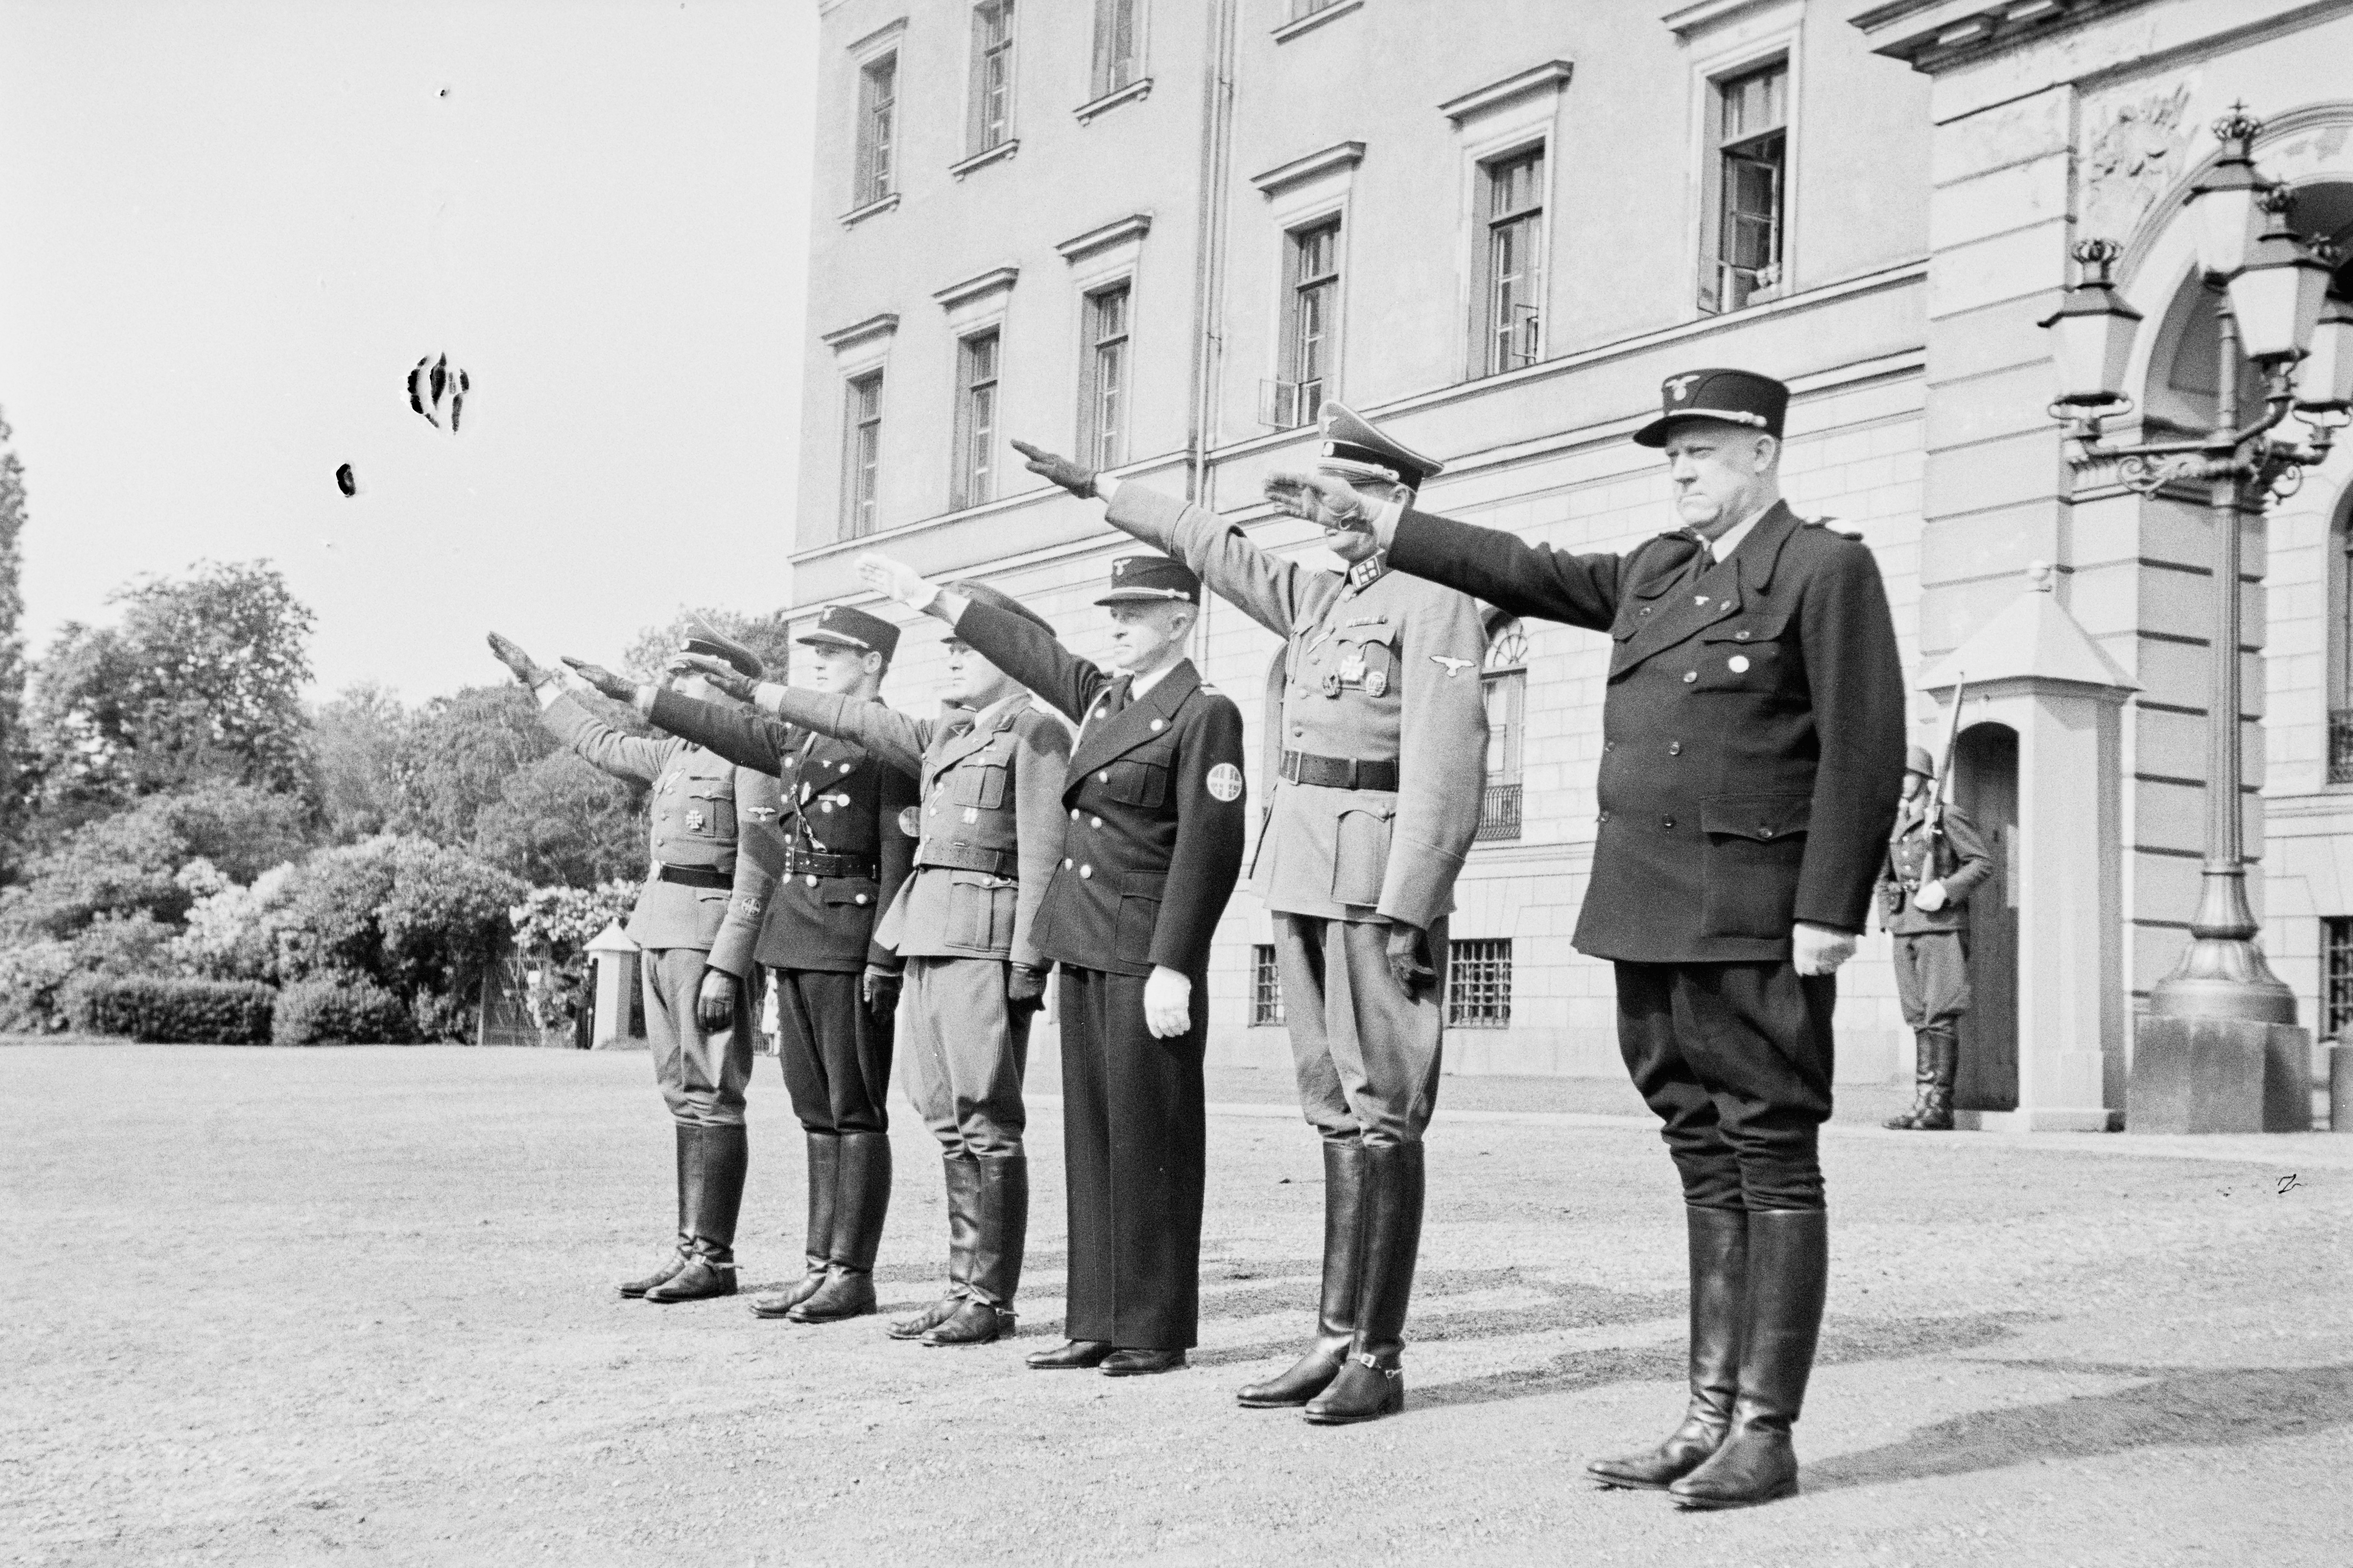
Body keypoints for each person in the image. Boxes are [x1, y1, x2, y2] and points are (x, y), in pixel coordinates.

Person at [1276, 368, 1905, 1507]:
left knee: (1771, 1155)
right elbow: (1523, 569)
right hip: (1647, 910)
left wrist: (1828, 909)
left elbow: (1863, 746)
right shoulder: (1658, 570)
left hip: (1753, 915)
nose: (1681, 471)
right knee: (1698, 1151)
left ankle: (1764, 1429)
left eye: (1701, 451)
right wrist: (1380, 523)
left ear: (1762, 453)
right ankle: (1705, 1417)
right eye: (1672, 454)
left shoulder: (1822, 568)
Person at [1009, 404, 1486, 1424]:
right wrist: (1101, 489)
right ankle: (1331, 1337)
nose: (1330, 513)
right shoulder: (1318, 598)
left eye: (1349, 496)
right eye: (1325, 496)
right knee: (1331, 1107)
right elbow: (1212, 547)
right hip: (1303, 875)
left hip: (1375, 884)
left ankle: (1377, 1354)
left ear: (1396, 501)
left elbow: (1448, 765)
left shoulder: (1434, 599)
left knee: (1382, 1110)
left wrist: (1412, 903)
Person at [859, 548, 1247, 1378]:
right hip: (1085, 944)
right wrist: (932, 597)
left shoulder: (1204, 713)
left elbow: (1208, 850)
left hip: (1145, 955)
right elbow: (1032, 654)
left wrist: (1176, 963)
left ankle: (1152, 1328)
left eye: (1134, 613)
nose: (1117, 625)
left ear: (1181, 620)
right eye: (1113, 613)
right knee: (1094, 1140)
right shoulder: (1105, 699)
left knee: (1151, 1140)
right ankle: (1096, 1318)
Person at [660, 584, 1071, 1346]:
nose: (954, 657)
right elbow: (842, 725)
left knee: (984, 1119)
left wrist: (1028, 963)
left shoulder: (1036, 733)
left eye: (969, 646)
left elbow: (1043, 855)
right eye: (949, 646)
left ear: (1013, 656)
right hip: (931, 937)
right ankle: (960, 1288)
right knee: (945, 1115)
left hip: (979, 942)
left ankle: (987, 1296)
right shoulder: (948, 734)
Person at [568, 605, 917, 1326]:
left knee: (856, 1112)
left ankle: (851, 1273)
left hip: (852, 940)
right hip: (800, 939)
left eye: (834, 652)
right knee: (816, 1115)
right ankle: (820, 1269)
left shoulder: (888, 741)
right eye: (816, 650)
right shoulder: (799, 737)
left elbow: (896, 857)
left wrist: (884, 958)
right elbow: (715, 729)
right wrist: (627, 691)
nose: (818, 660)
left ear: (873, 663)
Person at [486, 623, 778, 1304]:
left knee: (715, 1092)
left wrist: (729, 964)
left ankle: (715, 1257)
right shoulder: (678, 751)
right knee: (682, 1093)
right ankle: (690, 1249)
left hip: (709, 939)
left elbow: (760, 865)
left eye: (689, 675)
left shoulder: (751, 754)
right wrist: (539, 682)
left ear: (724, 684)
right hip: (661, 927)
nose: (676, 686)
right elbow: (601, 743)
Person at [1876, 745, 1994, 1132]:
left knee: (1939, 1016)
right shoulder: (1894, 821)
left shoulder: (1947, 816)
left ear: (1925, 778)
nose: (1900, 781)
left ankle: (1940, 1106)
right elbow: (1883, 876)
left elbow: (1981, 863)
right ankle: (1921, 1103)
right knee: (1918, 1018)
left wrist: (1945, 889)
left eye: (1908, 774)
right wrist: (1887, 920)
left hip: (1941, 927)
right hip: (1905, 926)